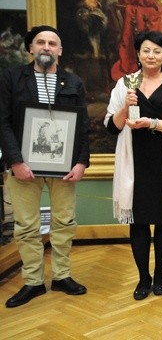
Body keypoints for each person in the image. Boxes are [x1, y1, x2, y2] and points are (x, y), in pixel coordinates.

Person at [1, 26, 90, 308]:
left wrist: (81, 162)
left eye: (53, 43)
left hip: (64, 169)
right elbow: (2, 121)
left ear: (60, 51)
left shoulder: (73, 82)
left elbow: (83, 127)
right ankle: (33, 281)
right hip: (23, 168)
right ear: (31, 48)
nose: (47, 47)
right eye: (41, 42)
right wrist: (15, 161)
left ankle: (62, 276)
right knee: (26, 227)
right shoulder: (12, 78)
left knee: (64, 223)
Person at [103, 31, 162, 300]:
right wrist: (125, 108)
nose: (151, 55)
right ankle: (143, 277)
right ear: (138, 54)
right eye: (146, 50)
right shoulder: (124, 83)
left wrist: (151, 123)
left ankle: (160, 274)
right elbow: (111, 127)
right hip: (134, 161)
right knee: (138, 223)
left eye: (157, 51)